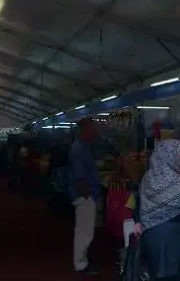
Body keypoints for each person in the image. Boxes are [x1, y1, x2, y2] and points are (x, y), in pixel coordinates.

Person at [134, 140, 180, 281]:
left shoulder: (148, 178)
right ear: (169, 156)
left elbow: (139, 206)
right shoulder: (179, 184)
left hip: (152, 240)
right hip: (173, 245)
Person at [68, 118, 100, 276]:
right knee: (84, 233)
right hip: (84, 196)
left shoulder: (83, 147)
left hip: (86, 195)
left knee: (85, 231)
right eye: (93, 128)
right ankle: (81, 264)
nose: (95, 131)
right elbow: (79, 177)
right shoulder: (78, 149)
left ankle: (82, 260)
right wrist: (87, 196)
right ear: (85, 130)